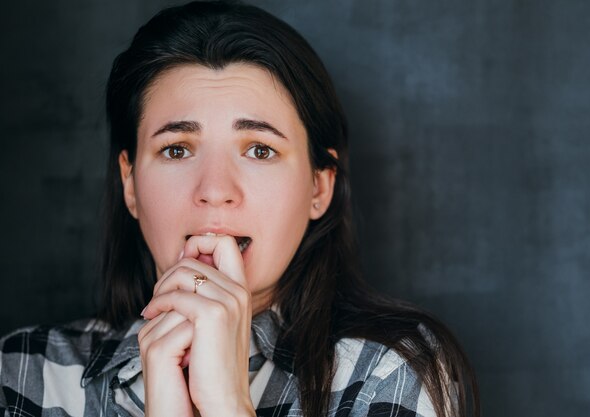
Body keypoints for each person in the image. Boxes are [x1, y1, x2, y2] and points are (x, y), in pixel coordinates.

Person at [0, 1, 479, 416]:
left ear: (319, 188)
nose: (214, 190)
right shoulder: (24, 374)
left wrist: (228, 405)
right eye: (177, 149)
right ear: (130, 184)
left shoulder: (388, 372)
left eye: (259, 150)